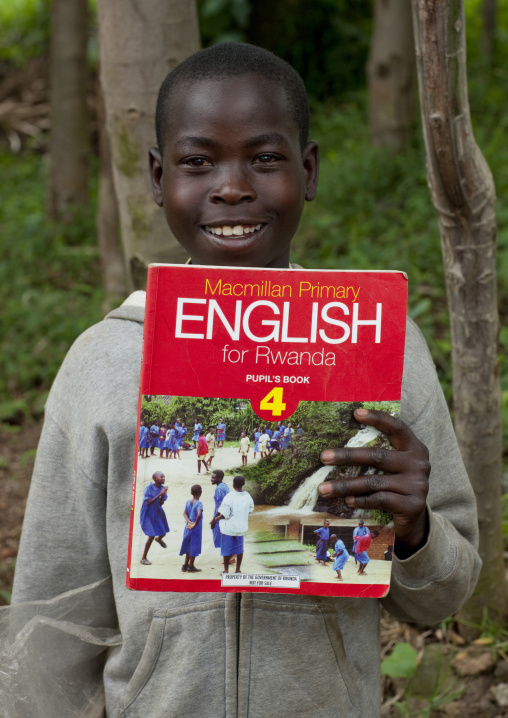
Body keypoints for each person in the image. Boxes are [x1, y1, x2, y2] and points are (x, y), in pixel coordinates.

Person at [9, 43, 481, 718]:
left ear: (309, 170)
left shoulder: (379, 350)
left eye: (264, 158)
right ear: (156, 174)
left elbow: (444, 595)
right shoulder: (103, 364)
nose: (231, 186)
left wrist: (413, 531)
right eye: (198, 161)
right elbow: (53, 610)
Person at [211, 475, 254, 574]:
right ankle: (238, 570)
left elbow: (225, 512)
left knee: (226, 549)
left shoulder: (230, 496)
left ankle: (226, 570)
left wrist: (216, 519)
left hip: (228, 528)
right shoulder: (248, 496)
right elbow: (251, 509)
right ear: (243, 484)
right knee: (239, 549)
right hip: (240, 527)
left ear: (233, 484)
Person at [139, 471, 169, 566]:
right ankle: (143, 558)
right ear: (155, 479)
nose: (163, 478)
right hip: (147, 513)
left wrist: (163, 495)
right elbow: (148, 502)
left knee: (163, 532)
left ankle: (159, 539)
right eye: (161, 477)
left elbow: (160, 503)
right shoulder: (149, 487)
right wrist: (160, 494)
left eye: (164, 477)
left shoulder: (162, 489)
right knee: (151, 535)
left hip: (157, 512)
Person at [179, 484, 203, 573]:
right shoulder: (199, 503)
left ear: (191, 493)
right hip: (195, 529)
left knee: (188, 545)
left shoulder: (188, 501)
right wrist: (195, 523)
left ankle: (185, 565)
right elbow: (199, 514)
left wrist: (189, 521)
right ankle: (191, 566)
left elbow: (184, 513)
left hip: (188, 527)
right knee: (194, 546)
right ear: (201, 492)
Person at [209, 469, 229, 551]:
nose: (211, 479)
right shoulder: (224, 486)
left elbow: (221, 506)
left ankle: (229, 556)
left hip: (220, 515)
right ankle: (230, 556)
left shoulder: (219, 489)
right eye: (211, 477)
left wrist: (214, 519)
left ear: (219, 478)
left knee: (219, 534)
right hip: (225, 514)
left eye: (213, 478)